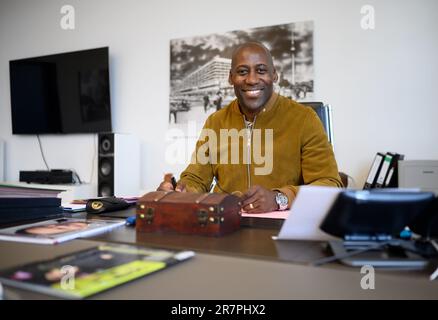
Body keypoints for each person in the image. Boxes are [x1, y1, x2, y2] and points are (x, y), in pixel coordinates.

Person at [158, 41, 342, 213]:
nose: (252, 79)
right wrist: (182, 190)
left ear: (274, 75)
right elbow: (196, 178)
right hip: (227, 226)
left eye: (261, 70)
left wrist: (280, 199)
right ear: (231, 78)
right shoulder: (215, 122)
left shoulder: (304, 119)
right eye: (243, 72)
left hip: (281, 230)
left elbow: (330, 184)